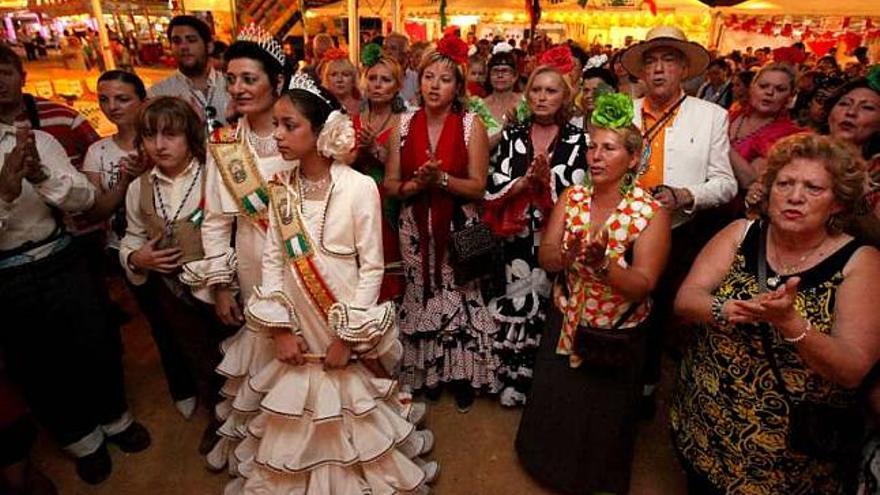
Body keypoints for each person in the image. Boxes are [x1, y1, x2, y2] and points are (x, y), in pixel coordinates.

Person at [223, 73, 436, 494]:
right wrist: (280, 329)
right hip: (296, 316)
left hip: (342, 313)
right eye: (277, 124)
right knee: (298, 406)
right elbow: (272, 262)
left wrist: (347, 336)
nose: (278, 135)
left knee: (350, 403)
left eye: (290, 125)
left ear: (320, 132)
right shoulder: (280, 186)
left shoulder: (359, 188)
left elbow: (372, 268)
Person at [671, 133, 880, 494]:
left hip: (789, 456)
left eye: (813, 188)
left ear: (837, 203)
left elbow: (852, 369)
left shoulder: (861, 263)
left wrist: (791, 324)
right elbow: (687, 299)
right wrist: (727, 308)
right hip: (708, 425)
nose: (795, 196)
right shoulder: (741, 233)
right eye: (785, 183)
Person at [0, 53, 150, 485]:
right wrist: (6, 193)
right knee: (38, 364)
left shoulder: (43, 141)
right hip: (8, 272)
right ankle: (83, 441)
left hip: (58, 254)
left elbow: (85, 201)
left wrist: (42, 176)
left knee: (95, 342)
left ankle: (117, 421)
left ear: (21, 77)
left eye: (5, 73)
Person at [516, 92, 671, 494]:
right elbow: (546, 257)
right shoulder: (573, 197)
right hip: (565, 319)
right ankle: (545, 466)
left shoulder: (650, 214)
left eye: (609, 148)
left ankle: (590, 477)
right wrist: (566, 255)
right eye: (592, 147)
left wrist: (605, 266)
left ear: (633, 159)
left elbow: (643, 285)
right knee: (558, 401)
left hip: (614, 333)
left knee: (600, 413)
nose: (596, 156)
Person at [179, 26, 295, 471]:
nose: (238, 88)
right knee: (267, 347)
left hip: (306, 261)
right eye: (231, 79)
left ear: (276, 82)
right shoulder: (225, 144)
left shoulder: (303, 131)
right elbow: (214, 223)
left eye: (249, 78)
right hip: (252, 260)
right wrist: (221, 285)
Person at [621, 25, 737, 415]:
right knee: (617, 304)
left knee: (657, 311)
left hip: (676, 231)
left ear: (684, 68)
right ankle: (612, 376)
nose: (658, 69)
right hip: (621, 227)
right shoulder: (624, 112)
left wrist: (686, 195)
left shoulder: (711, 117)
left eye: (668, 60)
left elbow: (725, 184)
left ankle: (646, 385)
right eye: (651, 61)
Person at [385, 34, 498, 412]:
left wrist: (442, 180)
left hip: (458, 229)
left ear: (458, 87)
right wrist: (416, 184)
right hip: (414, 229)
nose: (435, 85)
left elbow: (479, 187)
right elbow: (390, 183)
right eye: (428, 77)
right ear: (419, 80)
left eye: (445, 79)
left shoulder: (471, 126)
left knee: (461, 298)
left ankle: (463, 375)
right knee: (423, 294)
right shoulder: (402, 124)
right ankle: (429, 374)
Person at [119, 96, 229, 458]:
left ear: (190, 135)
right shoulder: (140, 188)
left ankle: (248, 417)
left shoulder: (212, 173)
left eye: (171, 135)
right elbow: (132, 235)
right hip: (172, 291)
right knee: (198, 355)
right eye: (150, 136)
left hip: (220, 287)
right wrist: (137, 256)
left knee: (234, 351)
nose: (160, 145)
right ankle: (218, 417)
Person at [481, 65, 588, 407]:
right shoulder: (513, 135)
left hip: (554, 238)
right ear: (528, 96)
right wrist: (523, 183)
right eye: (537, 90)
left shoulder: (578, 139)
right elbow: (494, 180)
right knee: (514, 299)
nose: (542, 97)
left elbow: (581, 188)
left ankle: (541, 383)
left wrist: (549, 183)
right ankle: (509, 378)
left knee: (548, 304)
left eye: (551, 91)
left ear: (565, 97)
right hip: (514, 239)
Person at [353, 47, 407, 302]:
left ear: (397, 86)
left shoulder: (404, 122)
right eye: (372, 78)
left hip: (390, 203)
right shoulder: (352, 119)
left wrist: (376, 150)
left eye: (385, 80)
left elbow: (408, 168)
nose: (377, 85)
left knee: (388, 260)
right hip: (355, 205)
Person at [148, 15, 229, 133]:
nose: (183, 47)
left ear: (209, 46)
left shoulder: (232, 86)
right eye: (176, 41)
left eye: (191, 40)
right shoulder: (158, 94)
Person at [729, 62, 803, 192]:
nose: (769, 92)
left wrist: (718, 141)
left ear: (791, 96)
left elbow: (752, 181)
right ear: (752, 88)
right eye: (763, 86)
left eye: (780, 89)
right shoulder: (732, 115)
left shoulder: (788, 137)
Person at [481, 43, 521, 146]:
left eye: (505, 71)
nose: (500, 75)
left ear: (515, 76)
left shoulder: (527, 104)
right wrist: (502, 133)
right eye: (495, 71)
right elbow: (469, 148)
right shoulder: (475, 107)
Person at [320, 48, 360, 116]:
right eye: (334, 75)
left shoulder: (364, 107)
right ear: (326, 79)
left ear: (353, 79)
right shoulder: (320, 108)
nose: (339, 80)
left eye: (345, 75)